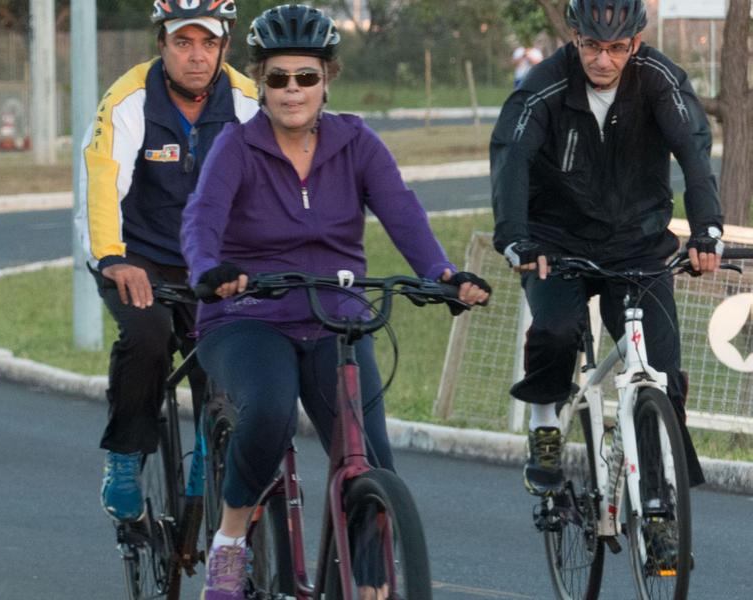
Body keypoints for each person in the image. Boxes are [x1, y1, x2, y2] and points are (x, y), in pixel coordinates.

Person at [180, 5, 490, 598]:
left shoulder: (357, 143)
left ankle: (369, 586)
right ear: (260, 82)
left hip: (335, 318)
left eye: (306, 77)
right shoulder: (235, 147)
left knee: (370, 458)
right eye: (277, 78)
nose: (292, 91)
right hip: (247, 316)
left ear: (328, 78)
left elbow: (402, 210)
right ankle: (230, 540)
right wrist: (208, 270)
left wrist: (441, 273)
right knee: (269, 409)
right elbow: (202, 220)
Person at [490, 0, 722, 500]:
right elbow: (512, 159)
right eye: (593, 46)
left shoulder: (660, 79)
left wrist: (707, 230)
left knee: (661, 377)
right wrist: (515, 236)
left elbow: (694, 153)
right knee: (555, 330)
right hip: (556, 243)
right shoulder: (542, 85)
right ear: (574, 37)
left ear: (635, 44)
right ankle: (545, 421)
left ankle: (659, 504)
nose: (603, 60)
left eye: (617, 48)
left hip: (637, 247)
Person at [76, 0, 259, 522]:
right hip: (139, 257)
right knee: (147, 339)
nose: (196, 56)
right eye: (183, 42)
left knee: (227, 350)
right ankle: (126, 455)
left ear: (225, 46)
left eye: (208, 43)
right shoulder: (130, 97)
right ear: (161, 45)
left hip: (215, 262)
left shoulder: (247, 102)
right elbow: (104, 181)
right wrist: (112, 258)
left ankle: (213, 449)